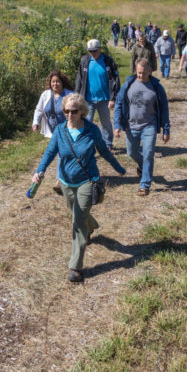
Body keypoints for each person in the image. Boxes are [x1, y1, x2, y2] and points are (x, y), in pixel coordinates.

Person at [34, 94, 126, 282]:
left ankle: (75, 267)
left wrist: (118, 168)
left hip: (87, 180)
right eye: (66, 111)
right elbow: (50, 152)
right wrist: (40, 171)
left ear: (82, 111)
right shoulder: (60, 131)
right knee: (78, 215)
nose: (69, 114)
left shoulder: (92, 130)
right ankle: (90, 226)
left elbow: (103, 150)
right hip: (66, 182)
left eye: (74, 111)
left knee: (77, 222)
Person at [113, 58, 170, 196]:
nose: (140, 75)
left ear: (150, 71)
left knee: (149, 154)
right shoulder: (128, 84)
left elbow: (164, 109)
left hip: (149, 126)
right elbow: (119, 104)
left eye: (143, 73)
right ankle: (142, 165)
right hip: (132, 126)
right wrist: (117, 125)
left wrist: (166, 130)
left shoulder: (157, 87)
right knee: (131, 152)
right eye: (138, 72)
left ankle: (144, 185)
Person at [32, 70, 74, 195]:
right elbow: (39, 109)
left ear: (62, 83)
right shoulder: (45, 95)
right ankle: (65, 177)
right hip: (53, 130)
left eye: (57, 81)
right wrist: (36, 122)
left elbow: (79, 110)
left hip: (68, 130)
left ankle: (58, 181)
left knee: (61, 153)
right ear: (50, 83)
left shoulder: (69, 95)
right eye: (53, 81)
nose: (55, 84)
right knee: (61, 153)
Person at [74, 39, 121, 150]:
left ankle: (107, 143)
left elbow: (115, 80)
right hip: (88, 99)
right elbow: (79, 80)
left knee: (105, 123)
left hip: (104, 98)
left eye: (94, 51)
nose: (92, 53)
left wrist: (113, 98)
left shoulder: (108, 61)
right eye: (90, 51)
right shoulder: (85, 61)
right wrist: (77, 96)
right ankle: (88, 144)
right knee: (86, 122)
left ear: (100, 48)